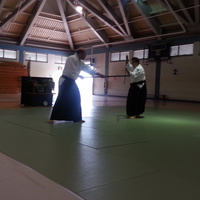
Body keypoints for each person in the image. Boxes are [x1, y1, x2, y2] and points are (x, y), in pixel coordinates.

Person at [49, 48, 104, 124]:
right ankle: (52, 118)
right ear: (80, 53)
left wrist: (99, 74)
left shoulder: (80, 62)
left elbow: (88, 69)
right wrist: (79, 75)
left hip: (71, 81)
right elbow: (71, 70)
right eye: (84, 54)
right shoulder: (71, 58)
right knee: (61, 98)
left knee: (76, 98)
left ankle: (76, 118)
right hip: (66, 80)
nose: (85, 56)